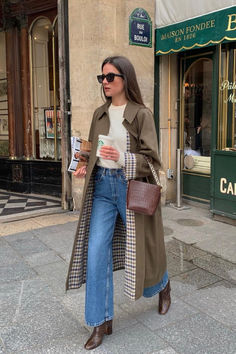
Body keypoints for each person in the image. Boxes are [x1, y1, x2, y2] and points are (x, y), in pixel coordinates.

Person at [66, 56, 171, 350]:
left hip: (130, 188)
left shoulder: (141, 114)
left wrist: (123, 158)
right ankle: (101, 322)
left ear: (125, 78)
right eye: (102, 78)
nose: (106, 83)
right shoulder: (100, 113)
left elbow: (153, 159)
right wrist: (84, 162)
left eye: (111, 77)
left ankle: (163, 285)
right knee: (96, 253)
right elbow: (90, 145)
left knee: (144, 251)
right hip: (102, 187)